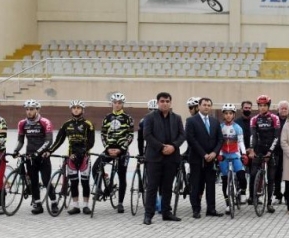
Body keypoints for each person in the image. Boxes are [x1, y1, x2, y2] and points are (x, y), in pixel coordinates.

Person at [142, 92, 185, 225]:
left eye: (167, 101)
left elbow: (182, 135)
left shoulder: (177, 118)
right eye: (162, 101)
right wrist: (161, 147)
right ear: (158, 102)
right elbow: (147, 135)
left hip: (172, 158)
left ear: (170, 102)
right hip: (154, 157)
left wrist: (173, 146)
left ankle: (166, 212)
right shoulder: (149, 117)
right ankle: (148, 215)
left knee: (167, 187)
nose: (165, 103)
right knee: (152, 187)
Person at [46, 101, 95, 215]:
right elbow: (59, 140)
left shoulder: (88, 124)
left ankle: (86, 206)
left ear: (82, 110)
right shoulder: (66, 124)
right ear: (71, 110)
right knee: (73, 182)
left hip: (84, 157)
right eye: (74, 108)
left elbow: (91, 142)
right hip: (71, 156)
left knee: (85, 182)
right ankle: (75, 206)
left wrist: (81, 153)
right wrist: (50, 151)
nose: (76, 110)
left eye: (78, 108)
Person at [12, 100, 54, 215]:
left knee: (46, 181)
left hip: (42, 157)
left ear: (37, 110)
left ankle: (54, 202)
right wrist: (16, 150)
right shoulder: (22, 123)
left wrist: (38, 152)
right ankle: (38, 204)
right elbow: (20, 141)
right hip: (30, 156)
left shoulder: (45, 122)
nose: (29, 112)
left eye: (31, 109)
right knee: (33, 182)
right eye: (27, 109)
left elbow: (49, 141)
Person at [95, 92, 134, 213]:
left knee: (122, 176)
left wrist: (121, 149)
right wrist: (107, 148)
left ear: (122, 104)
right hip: (109, 148)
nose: (117, 105)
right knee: (95, 167)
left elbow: (130, 135)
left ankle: (121, 203)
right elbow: (102, 134)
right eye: (115, 103)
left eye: (119, 103)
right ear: (111, 103)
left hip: (122, 150)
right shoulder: (107, 117)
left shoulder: (128, 118)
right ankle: (102, 187)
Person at [186, 97, 224, 218]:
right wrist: (204, 154)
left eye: (209, 105)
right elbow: (191, 139)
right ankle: (196, 209)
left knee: (211, 184)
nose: (206, 107)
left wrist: (214, 153)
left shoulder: (215, 121)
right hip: (197, 158)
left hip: (211, 159)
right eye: (204, 105)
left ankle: (211, 209)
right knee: (196, 184)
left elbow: (220, 139)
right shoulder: (191, 121)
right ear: (199, 106)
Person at [248, 94, 280, 213]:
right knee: (252, 173)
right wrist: (252, 149)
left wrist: (270, 152)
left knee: (271, 178)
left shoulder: (274, 118)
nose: (262, 108)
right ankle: (253, 195)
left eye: (265, 105)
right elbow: (253, 135)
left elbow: (277, 137)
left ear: (268, 106)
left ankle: (269, 202)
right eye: (260, 105)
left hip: (272, 149)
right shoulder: (254, 119)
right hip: (259, 149)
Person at [218, 103, 249, 215]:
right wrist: (220, 154)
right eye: (226, 113)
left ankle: (243, 192)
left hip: (235, 154)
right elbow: (219, 143)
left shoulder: (237, 127)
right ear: (223, 115)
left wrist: (244, 154)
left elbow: (241, 142)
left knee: (241, 175)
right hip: (224, 155)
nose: (228, 115)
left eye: (230, 113)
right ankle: (227, 204)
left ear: (234, 115)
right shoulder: (220, 127)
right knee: (225, 180)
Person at [273, 100, 289, 205]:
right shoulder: (274, 119)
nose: (283, 110)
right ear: (278, 110)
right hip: (276, 151)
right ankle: (277, 195)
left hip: (288, 151)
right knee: (277, 175)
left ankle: (288, 196)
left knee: (288, 175)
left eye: (285, 108)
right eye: (282, 108)